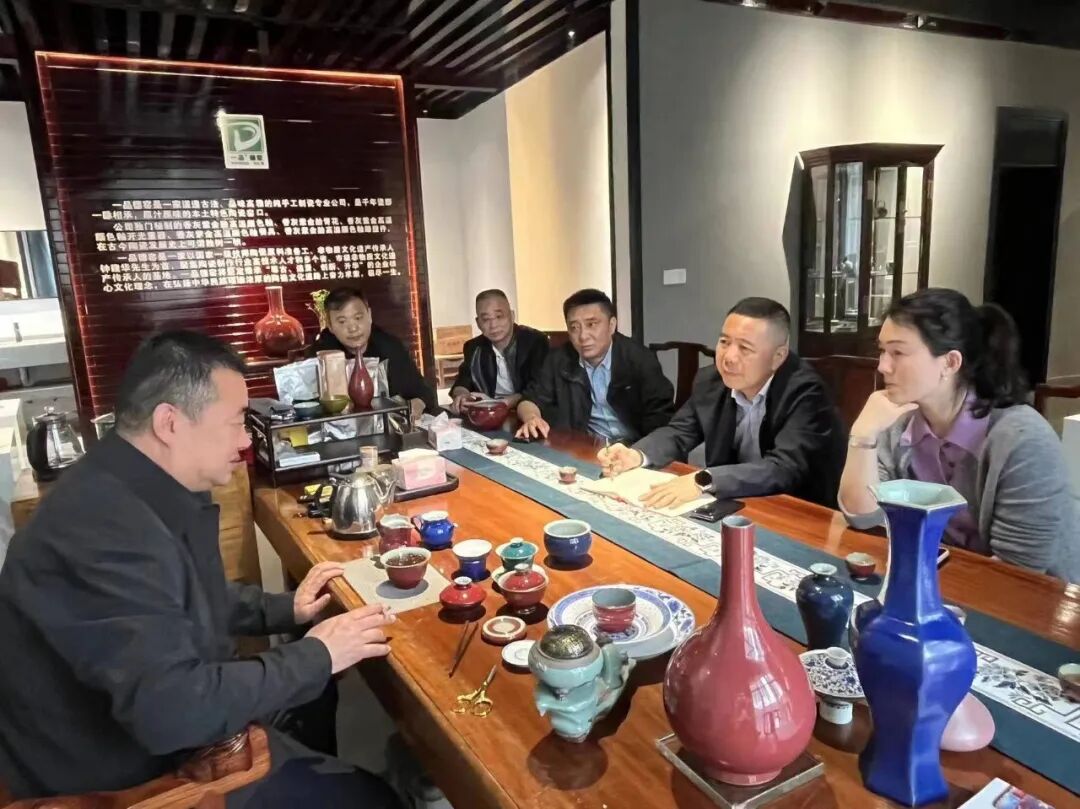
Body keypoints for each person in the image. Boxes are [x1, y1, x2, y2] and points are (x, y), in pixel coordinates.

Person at [0, 332, 401, 807]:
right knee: (372, 799)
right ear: (170, 423)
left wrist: (284, 609)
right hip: (122, 779)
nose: (246, 440)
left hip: (157, 729)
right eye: (236, 422)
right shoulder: (102, 528)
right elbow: (172, 711)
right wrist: (318, 655)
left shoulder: (131, 485)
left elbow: (176, 599)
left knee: (315, 703)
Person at [838, 288, 1079, 582]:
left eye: (898, 352)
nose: (882, 366)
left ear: (950, 363)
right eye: (882, 351)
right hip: (942, 580)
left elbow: (1017, 572)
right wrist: (862, 435)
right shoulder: (897, 422)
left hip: (1037, 600)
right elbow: (863, 517)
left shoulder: (1023, 440)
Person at [599, 297, 846, 509]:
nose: (728, 357)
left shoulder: (806, 392)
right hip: (736, 499)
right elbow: (679, 432)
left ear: (778, 357)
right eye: (724, 342)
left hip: (798, 508)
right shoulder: (711, 381)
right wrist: (636, 455)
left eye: (745, 348)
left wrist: (704, 479)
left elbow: (784, 468)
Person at [515, 289, 674, 443]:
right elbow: (529, 400)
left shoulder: (640, 359)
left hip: (636, 447)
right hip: (587, 446)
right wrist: (532, 418)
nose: (583, 336)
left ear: (611, 325)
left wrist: (639, 452)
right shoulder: (558, 359)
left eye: (591, 324)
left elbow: (661, 419)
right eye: (574, 327)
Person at [310, 286, 438, 419]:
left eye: (358, 318)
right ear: (330, 326)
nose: (353, 328)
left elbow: (422, 392)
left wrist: (418, 403)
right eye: (342, 321)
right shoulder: (320, 356)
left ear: (369, 316)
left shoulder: (389, 347)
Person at [449, 289, 549, 413]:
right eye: (486, 319)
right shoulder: (474, 347)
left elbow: (539, 387)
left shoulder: (535, 342)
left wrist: (503, 403)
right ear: (478, 323)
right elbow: (463, 381)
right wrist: (462, 395)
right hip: (488, 414)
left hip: (527, 411)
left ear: (512, 316)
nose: (493, 325)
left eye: (499, 316)